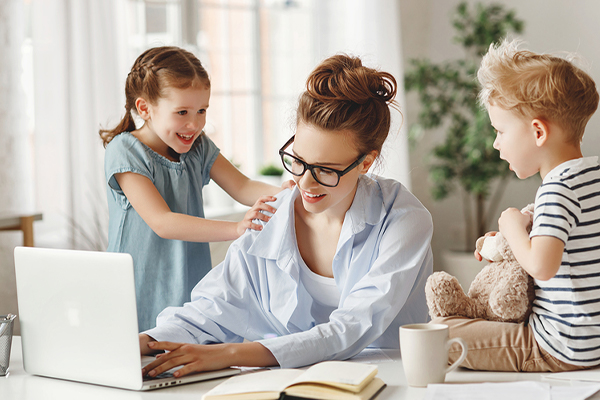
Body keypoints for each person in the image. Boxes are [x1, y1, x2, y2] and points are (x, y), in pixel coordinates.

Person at [138, 54, 433, 378]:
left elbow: (353, 327)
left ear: (365, 163)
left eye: (325, 170)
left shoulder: (404, 221)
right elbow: (215, 305)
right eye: (298, 160)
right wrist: (144, 342)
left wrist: (230, 354)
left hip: (392, 380)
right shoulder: (272, 215)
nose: (303, 183)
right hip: (295, 381)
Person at [434, 39, 600, 372]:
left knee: (440, 335)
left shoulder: (557, 189)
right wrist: (517, 239)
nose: (496, 143)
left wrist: (511, 225)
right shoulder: (590, 177)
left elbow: (541, 267)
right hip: (592, 339)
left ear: (538, 131)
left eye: (500, 131)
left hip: (559, 345)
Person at [101, 46, 291, 332]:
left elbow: (243, 186)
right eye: (182, 112)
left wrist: (289, 193)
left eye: (202, 110)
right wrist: (236, 229)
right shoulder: (125, 151)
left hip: (189, 286)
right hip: (139, 288)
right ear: (145, 109)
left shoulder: (198, 147)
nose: (195, 123)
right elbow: (163, 222)